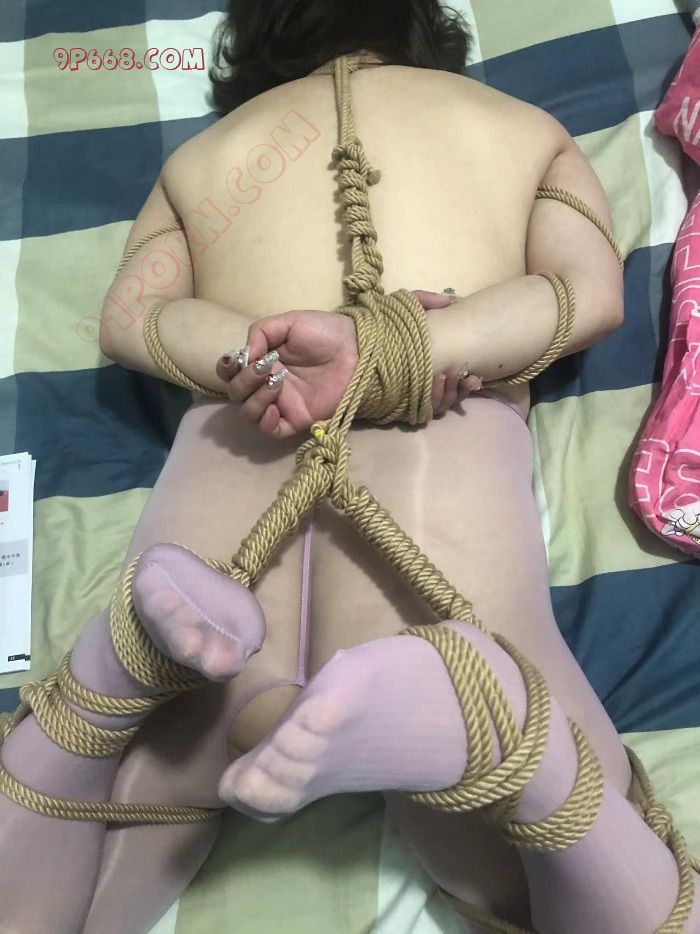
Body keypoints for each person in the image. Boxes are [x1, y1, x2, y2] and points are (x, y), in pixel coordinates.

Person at [0, 1, 696, 931]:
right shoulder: (522, 128)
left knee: (76, 896)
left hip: (217, 536)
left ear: (255, 48)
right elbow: (584, 295)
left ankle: (108, 675)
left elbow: (132, 318)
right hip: (435, 534)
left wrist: (262, 363)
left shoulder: (200, 159)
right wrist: (406, 347)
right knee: (558, 877)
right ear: (428, 34)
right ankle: (495, 731)